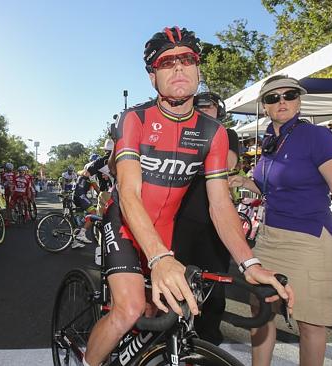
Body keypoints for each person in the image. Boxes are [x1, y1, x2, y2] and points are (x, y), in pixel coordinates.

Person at [83, 27, 292, 366]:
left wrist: (249, 262)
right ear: (153, 77)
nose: (178, 68)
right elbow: (130, 193)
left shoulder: (214, 133)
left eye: (186, 59)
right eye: (167, 63)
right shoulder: (134, 119)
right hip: (124, 222)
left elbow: (220, 203)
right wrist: (159, 258)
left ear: (198, 69)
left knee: (168, 311)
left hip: (165, 229)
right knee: (130, 309)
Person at [228, 75, 332, 366]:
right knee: (262, 312)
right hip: (270, 239)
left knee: (310, 323)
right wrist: (245, 182)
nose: (282, 102)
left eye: (289, 95)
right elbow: (275, 185)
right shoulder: (271, 142)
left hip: (311, 241)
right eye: (273, 98)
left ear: (299, 100)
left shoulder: (316, 136)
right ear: (265, 106)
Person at [172, 91, 239, 345]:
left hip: (215, 222)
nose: (202, 111)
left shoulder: (226, 134)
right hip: (179, 219)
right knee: (176, 282)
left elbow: (228, 162)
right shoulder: (178, 131)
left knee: (214, 286)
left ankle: (208, 341)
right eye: (197, 106)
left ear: (218, 111)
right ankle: (172, 339)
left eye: (208, 107)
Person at [70, 169, 98, 248]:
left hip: (75, 196)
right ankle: (82, 233)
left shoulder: (84, 172)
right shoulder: (91, 173)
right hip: (81, 196)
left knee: (78, 222)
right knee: (94, 213)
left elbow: (79, 172)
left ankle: (75, 242)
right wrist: (101, 195)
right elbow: (96, 188)